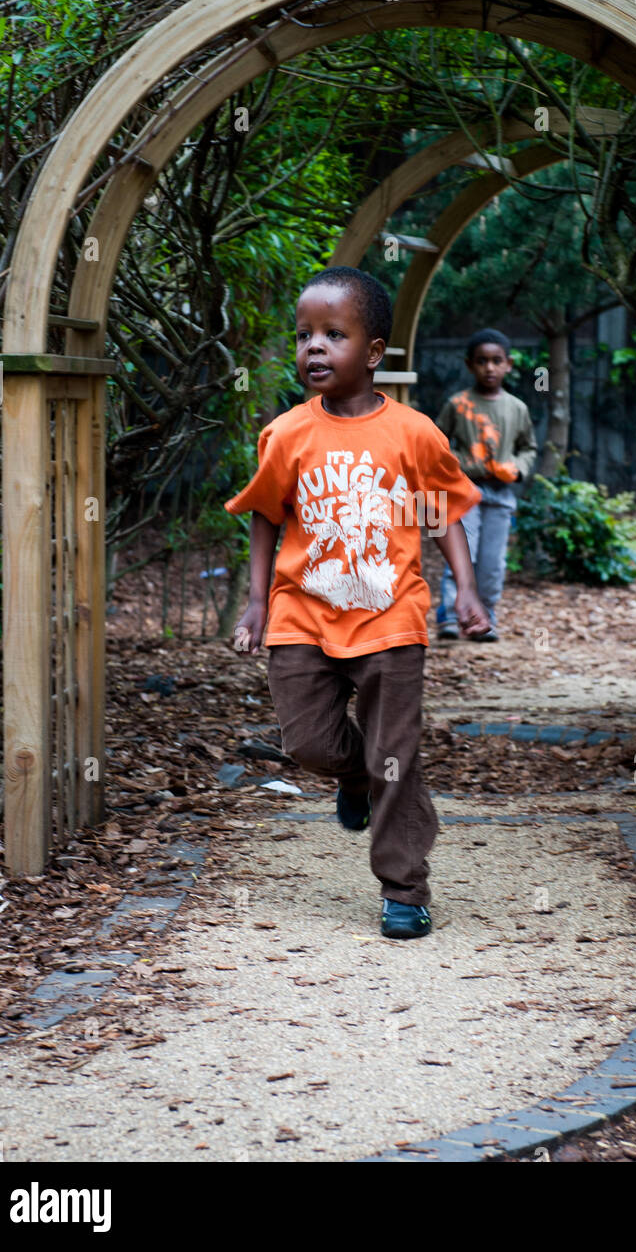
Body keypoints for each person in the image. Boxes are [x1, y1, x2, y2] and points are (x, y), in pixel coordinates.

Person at [225, 266, 490, 940]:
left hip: (391, 616)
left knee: (394, 755)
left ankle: (404, 891)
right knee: (307, 741)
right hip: (302, 612)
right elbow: (264, 514)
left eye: (333, 335)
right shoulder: (286, 434)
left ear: (372, 353)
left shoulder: (413, 433)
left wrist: (466, 589)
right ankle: (358, 777)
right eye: (305, 335)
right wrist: (256, 603)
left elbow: (443, 514)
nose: (314, 348)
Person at [435, 328, 538, 641]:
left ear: (508, 364)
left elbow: (528, 448)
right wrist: (464, 464)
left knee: (493, 565)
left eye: (496, 361)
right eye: (482, 361)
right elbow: (437, 444)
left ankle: (485, 618)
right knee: (463, 557)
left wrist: (517, 469)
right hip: (464, 495)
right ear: (470, 365)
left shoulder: (517, 408)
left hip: (502, 495)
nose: (489, 368)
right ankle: (451, 617)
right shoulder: (457, 404)